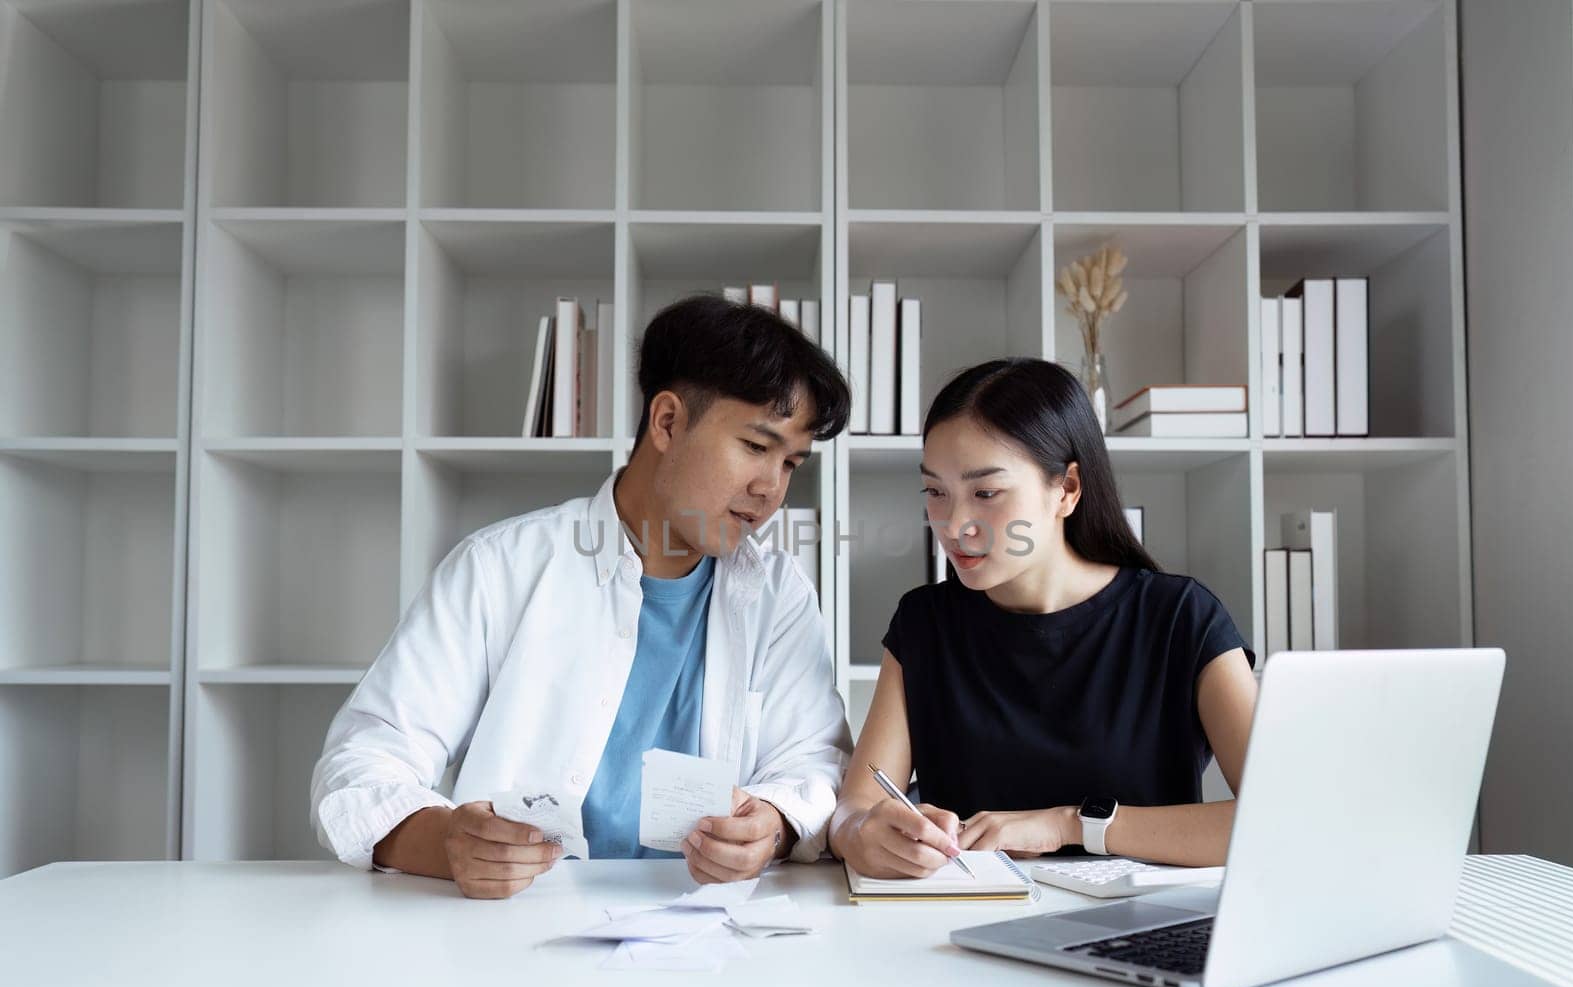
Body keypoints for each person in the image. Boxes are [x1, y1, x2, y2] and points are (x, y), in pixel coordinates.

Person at [311, 295, 853, 897]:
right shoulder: (498, 569)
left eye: (792, 464)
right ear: (668, 422)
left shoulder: (779, 594)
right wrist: (445, 842)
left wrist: (773, 823)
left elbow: (815, 761)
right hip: (516, 934)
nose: (770, 489)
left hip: (708, 931)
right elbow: (362, 763)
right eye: (755, 447)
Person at [828, 359, 1258, 879]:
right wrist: (862, 835)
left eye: (985, 493)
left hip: (1136, 930)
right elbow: (855, 808)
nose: (954, 525)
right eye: (936, 492)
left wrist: (1069, 826)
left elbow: (1280, 815)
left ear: (1068, 489)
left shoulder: (1181, 618)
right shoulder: (924, 624)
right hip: (958, 928)